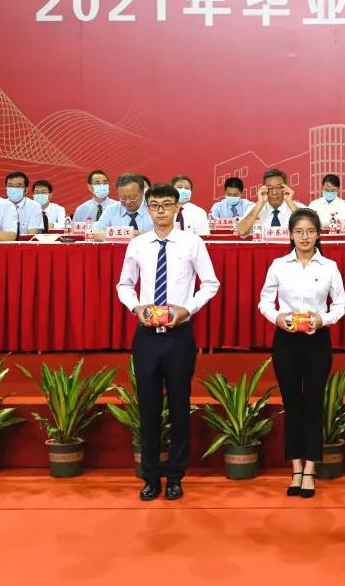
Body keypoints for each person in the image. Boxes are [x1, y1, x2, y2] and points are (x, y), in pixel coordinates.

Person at [116, 183, 219, 502]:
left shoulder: (192, 243)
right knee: (148, 409)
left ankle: (175, 476)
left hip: (178, 337)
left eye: (167, 205)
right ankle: (150, 477)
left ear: (177, 208)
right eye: (155, 205)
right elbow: (124, 284)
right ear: (148, 209)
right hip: (147, 337)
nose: (161, 211)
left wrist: (187, 308)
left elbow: (210, 283)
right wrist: (136, 307)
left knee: (178, 407)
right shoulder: (138, 244)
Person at [258, 208, 345, 498]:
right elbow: (264, 301)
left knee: (313, 404)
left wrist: (323, 319)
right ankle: (295, 467)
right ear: (290, 235)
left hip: (316, 340)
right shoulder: (279, 265)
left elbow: (341, 304)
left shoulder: (329, 266)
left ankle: (310, 468)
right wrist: (278, 318)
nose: (304, 237)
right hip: (286, 340)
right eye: (299, 232)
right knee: (292, 404)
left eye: (310, 231)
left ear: (318, 234)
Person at [236, 168, 305, 237]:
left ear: (286, 187)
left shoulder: (298, 207)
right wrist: (260, 203)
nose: (274, 193)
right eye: (270, 188)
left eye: (278, 187)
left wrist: (290, 202)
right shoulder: (254, 208)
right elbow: (242, 231)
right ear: (264, 188)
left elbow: (309, 229)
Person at [94, 173, 153, 238]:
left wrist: (145, 236)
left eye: (132, 197)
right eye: (123, 198)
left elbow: (161, 234)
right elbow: (95, 234)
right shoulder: (111, 210)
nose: (127, 202)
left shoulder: (154, 209)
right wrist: (124, 234)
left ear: (142, 192)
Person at [4, 171, 44, 236]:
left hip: (24, 242)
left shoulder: (34, 206)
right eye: (10, 186)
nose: (14, 189)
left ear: (25, 190)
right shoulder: (0, 205)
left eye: (18, 186)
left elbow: (32, 235)